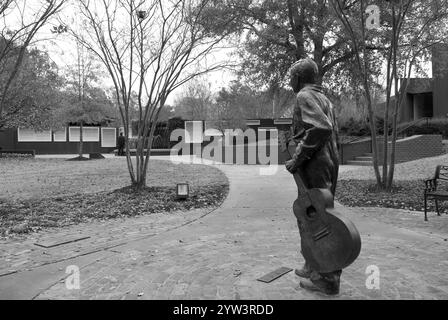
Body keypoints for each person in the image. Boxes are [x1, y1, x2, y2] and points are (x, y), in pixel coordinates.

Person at [285, 58, 341, 295]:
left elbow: (321, 128)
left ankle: (327, 278)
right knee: (312, 214)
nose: (289, 82)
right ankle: (312, 264)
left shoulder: (304, 96)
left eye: (291, 77)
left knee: (318, 218)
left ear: (298, 77)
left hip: (314, 165)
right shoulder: (324, 97)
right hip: (327, 162)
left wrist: (297, 157)